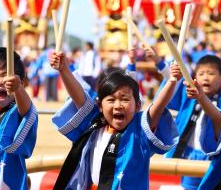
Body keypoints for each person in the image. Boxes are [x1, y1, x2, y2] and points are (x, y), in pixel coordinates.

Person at [49, 51, 181, 190]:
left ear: (137, 106)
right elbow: (79, 96)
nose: (118, 105)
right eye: (111, 100)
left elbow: (158, 107)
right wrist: (63, 69)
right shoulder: (95, 122)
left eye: (125, 100)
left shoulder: (139, 130)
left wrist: (172, 81)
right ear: (99, 105)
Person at [0, 47, 38, 189]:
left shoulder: (17, 112)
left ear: (20, 82)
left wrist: (18, 90)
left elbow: (27, 110)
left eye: (6, 76)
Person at [163, 55, 221, 190]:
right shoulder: (187, 96)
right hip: (190, 153)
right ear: (194, 77)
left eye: (211, 73)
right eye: (201, 73)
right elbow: (167, 97)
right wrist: (171, 74)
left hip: (215, 157)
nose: (206, 77)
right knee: (189, 187)